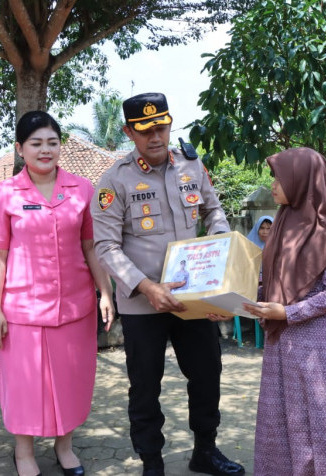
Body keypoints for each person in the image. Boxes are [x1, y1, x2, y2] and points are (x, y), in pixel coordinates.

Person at [91, 92, 244, 476]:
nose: (156, 136)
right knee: (146, 386)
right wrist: (146, 287)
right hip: (144, 304)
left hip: (193, 298)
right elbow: (106, 247)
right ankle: (152, 463)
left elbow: (213, 211)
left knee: (207, 373)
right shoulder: (115, 180)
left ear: (170, 123)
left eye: (161, 127)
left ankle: (205, 450)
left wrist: (220, 253)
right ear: (129, 132)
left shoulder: (192, 166)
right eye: (145, 131)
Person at [0, 111, 114, 476]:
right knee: (25, 386)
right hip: (21, 309)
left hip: (75, 306)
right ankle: (23, 452)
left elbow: (91, 247)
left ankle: (65, 446)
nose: (45, 150)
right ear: (20, 149)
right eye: (36, 143)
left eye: (52, 143)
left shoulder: (82, 189)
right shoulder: (4, 194)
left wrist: (106, 292)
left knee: (71, 380)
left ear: (61, 146)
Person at [239, 147, 326, 476]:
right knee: (280, 423)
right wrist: (232, 304)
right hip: (280, 343)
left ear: (301, 180)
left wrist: (288, 313)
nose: (273, 185)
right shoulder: (281, 226)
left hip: (311, 348)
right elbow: (268, 285)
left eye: (278, 178)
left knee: (313, 426)